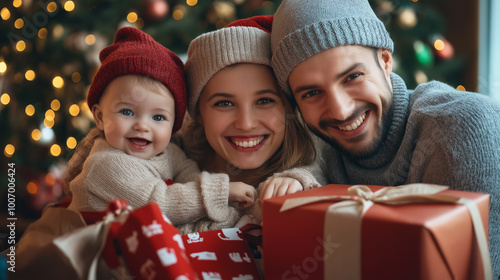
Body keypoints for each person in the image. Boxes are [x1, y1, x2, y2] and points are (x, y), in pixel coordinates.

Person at [270, 0, 500, 276]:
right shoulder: (318, 139)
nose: (341, 111)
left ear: (386, 61)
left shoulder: (460, 126)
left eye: (352, 76)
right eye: (311, 93)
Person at [63, 27, 256, 234]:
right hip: (102, 254)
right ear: (100, 117)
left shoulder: (169, 152)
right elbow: (160, 203)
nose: (142, 126)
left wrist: (227, 208)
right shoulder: (105, 164)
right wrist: (222, 191)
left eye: (158, 117)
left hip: (143, 238)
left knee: (204, 224)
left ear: (173, 126)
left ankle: (236, 227)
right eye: (127, 112)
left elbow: (188, 172)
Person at [181, 15, 320, 212]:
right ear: (199, 115)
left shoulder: (313, 160)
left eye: (264, 101)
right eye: (224, 103)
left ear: (288, 107)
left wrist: (299, 180)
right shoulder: (172, 157)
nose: (246, 124)